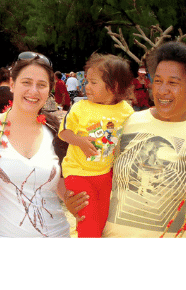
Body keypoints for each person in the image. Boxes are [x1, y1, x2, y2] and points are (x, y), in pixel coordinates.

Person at [65, 42, 186, 237]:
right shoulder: (128, 122)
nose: (162, 90)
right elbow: (94, 167)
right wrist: (74, 198)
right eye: (158, 81)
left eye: (173, 83)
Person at [0, 52, 71, 237]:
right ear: (12, 84)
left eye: (41, 85)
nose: (33, 91)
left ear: (49, 90)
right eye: (26, 82)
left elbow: (66, 192)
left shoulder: (57, 133)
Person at [57, 54, 134, 237]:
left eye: (93, 82)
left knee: (102, 221)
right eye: (86, 81)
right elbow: (64, 132)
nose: (86, 86)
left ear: (114, 86)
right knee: (88, 224)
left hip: (106, 175)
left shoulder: (126, 111)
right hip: (79, 173)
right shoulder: (80, 107)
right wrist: (80, 141)